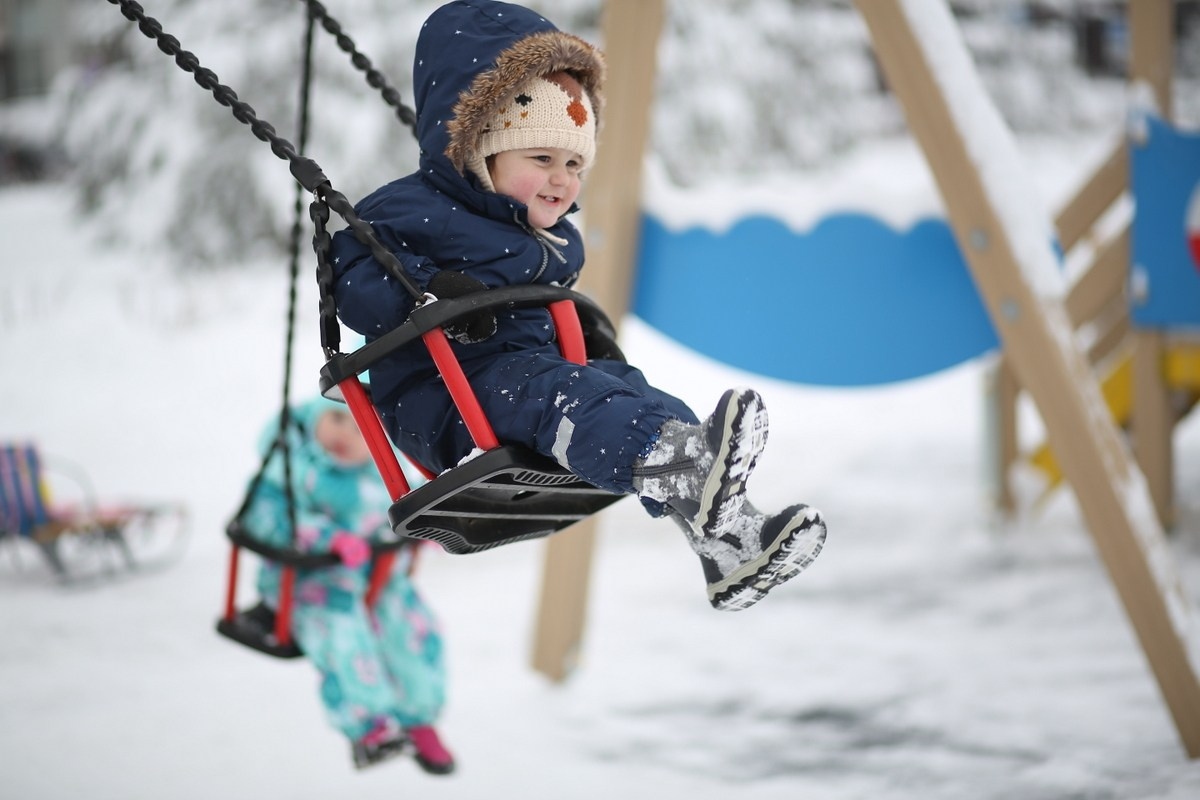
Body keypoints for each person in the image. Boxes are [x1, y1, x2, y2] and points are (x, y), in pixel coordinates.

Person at [330, 0, 827, 612]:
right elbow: (351, 276)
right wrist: (428, 291)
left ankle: (728, 533)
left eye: (573, 164)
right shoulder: (406, 212)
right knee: (558, 390)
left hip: (517, 377)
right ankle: (672, 461)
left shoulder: (553, 235)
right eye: (540, 159)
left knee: (622, 384)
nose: (562, 180)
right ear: (479, 152)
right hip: (445, 397)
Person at [240, 394, 455, 774]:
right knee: (345, 640)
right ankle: (370, 728)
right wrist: (328, 538)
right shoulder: (291, 464)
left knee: (415, 631)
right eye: (336, 418)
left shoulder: (383, 471)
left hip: (378, 581)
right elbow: (264, 516)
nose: (344, 434)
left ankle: (419, 717)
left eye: (360, 430)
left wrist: (428, 528)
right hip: (313, 586)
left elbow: (408, 506)